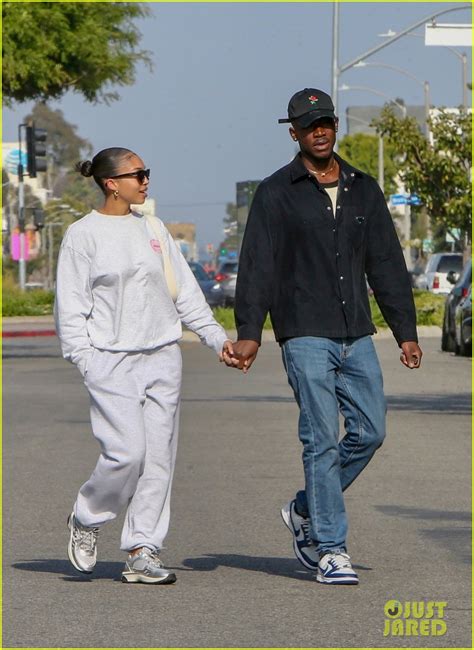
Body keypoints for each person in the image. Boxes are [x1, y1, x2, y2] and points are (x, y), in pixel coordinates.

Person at [226, 88, 422, 585]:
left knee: (370, 431)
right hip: (304, 332)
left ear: (336, 127)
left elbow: (386, 264)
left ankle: (305, 507)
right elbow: (257, 265)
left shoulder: (364, 188)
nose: (320, 130)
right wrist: (250, 331)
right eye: (309, 124)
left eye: (327, 122)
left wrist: (405, 330)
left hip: (356, 330)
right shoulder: (276, 192)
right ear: (293, 133)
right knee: (320, 439)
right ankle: (330, 547)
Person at [55, 147, 233, 584]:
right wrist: (86, 360)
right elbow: (71, 306)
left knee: (158, 458)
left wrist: (216, 339)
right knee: (126, 454)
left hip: (162, 356)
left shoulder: (153, 228)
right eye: (137, 174)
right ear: (111, 182)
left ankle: (142, 549)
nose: (146, 180)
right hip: (110, 361)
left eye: (146, 172)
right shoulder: (83, 235)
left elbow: (185, 293)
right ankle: (87, 516)